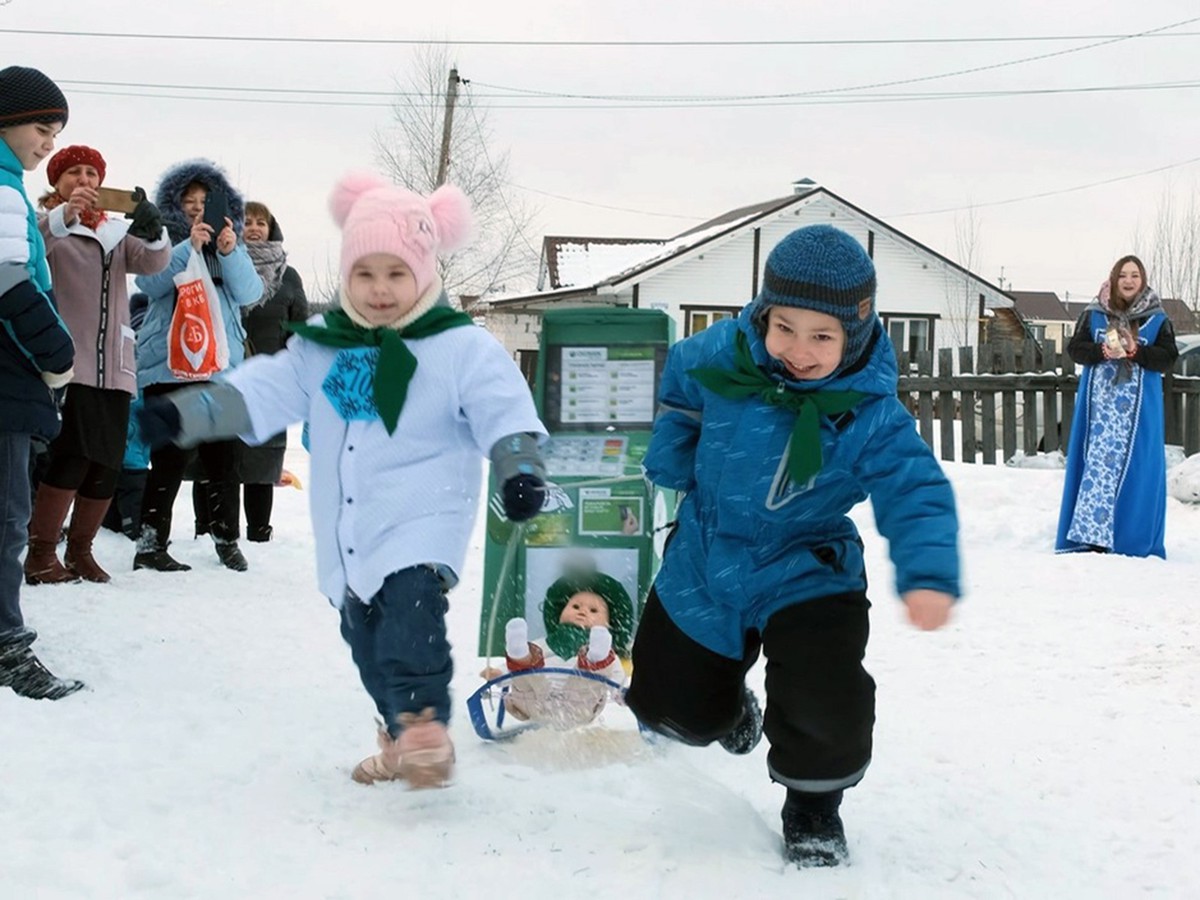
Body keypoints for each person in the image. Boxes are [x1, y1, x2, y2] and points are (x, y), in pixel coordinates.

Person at [136, 171, 548, 788]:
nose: (380, 289)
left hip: (421, 521)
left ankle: (424, 725)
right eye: (365, 274)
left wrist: (518, 463)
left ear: (424, 274)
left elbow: (503, 406)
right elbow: (264, 391)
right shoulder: (325, 348)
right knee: (367, 641)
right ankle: (399, 731)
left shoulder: (461, 347)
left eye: (396, 273)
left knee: (411, 618)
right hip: (349, 534)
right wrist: (185, 411)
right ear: (347, 277)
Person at [624, 224, 960, 868]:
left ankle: (813, 805)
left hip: (807, 564)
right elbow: (682, 391)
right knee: (673, 709)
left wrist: (928, 570)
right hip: (706, 551)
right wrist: (671, 455)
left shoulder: (870, 414)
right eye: (785, 328)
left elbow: (916, 489)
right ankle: (727, 713)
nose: (799, 351)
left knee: (823, 695)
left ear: (855, 334)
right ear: (763, 313)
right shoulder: (719, 356)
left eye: (822, 336)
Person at [23, 146, 169, 584]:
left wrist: (154, 229)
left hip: (117, 365)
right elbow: (35, 251)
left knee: (107, 461)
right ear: (56, 182)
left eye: (92, 173)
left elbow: (153, 264)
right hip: (70, 360)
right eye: (73, 173)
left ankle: (81, 551)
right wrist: (66, 214)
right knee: (70, 456)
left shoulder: (115, 233)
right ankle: (41, 553)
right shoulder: (43, 223)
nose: (84, 180)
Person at [131, 159, 263, 573]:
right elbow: (149, 284)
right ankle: (150, 544)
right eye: (188, 201)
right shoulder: (161, 241)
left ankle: (227, 540)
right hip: (169, 365)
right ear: (173, 205)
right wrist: (187, 246)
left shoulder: (230, 244)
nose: (196, 207)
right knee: (168, 457)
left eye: (204, 201)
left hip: (220, 368)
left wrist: (230, 251)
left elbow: (249, 294)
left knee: (225, 458)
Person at [0, 66, 84, 699]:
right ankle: (5, 649)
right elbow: (9, 282)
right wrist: (58, 354)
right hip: (8, 375)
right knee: (7, 518)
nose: (48, 142)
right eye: (41, 126)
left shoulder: (10, 188)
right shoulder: (2, 189)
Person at [192, 200, 308, 543]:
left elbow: (298, 328)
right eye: (249, 222)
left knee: (262, 459)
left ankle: (260, 534)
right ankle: (206, 530)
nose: (255, 228)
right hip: (222, 372)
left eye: (262, 222)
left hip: (269, 379)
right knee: (212, 457)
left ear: (272, 229)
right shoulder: (218, 264)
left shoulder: (288, 275)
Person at [1056, 255, 1177, 558]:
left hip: (1137, 414)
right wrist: (1100, 351)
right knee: (1096, 469)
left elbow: (1167, 358)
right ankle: (1092, 537)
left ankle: (1127, 539)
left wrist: (1137, 352)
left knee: (1138, 471)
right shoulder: (1095, 312)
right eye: (1123, 275)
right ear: (1113, 278)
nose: (1128, 281)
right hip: (1100, 412)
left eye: (1135, 275)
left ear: (1143, 280)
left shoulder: (1158, 318)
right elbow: (1075, 350)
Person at [499, 568, 633, 727]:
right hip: (535, 701)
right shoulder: (544, 644)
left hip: (578, 705)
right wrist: (499, 673)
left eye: (593, 610)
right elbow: (511, 674)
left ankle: (594, 660)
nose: (582, 611)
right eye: (575, 606)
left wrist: (619, 691)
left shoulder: (608, 655)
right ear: (560, 613)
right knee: (527, 672)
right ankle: (519, 655)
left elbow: (616, 674)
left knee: (592, 679)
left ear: (608, 624)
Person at [102, 292, 152, 539]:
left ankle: (112, 521)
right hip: (138, 424)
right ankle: (133, 525)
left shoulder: (125, 343)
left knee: (118, 474)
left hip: (124, 420)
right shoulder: (148, 344)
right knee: (134, 476)